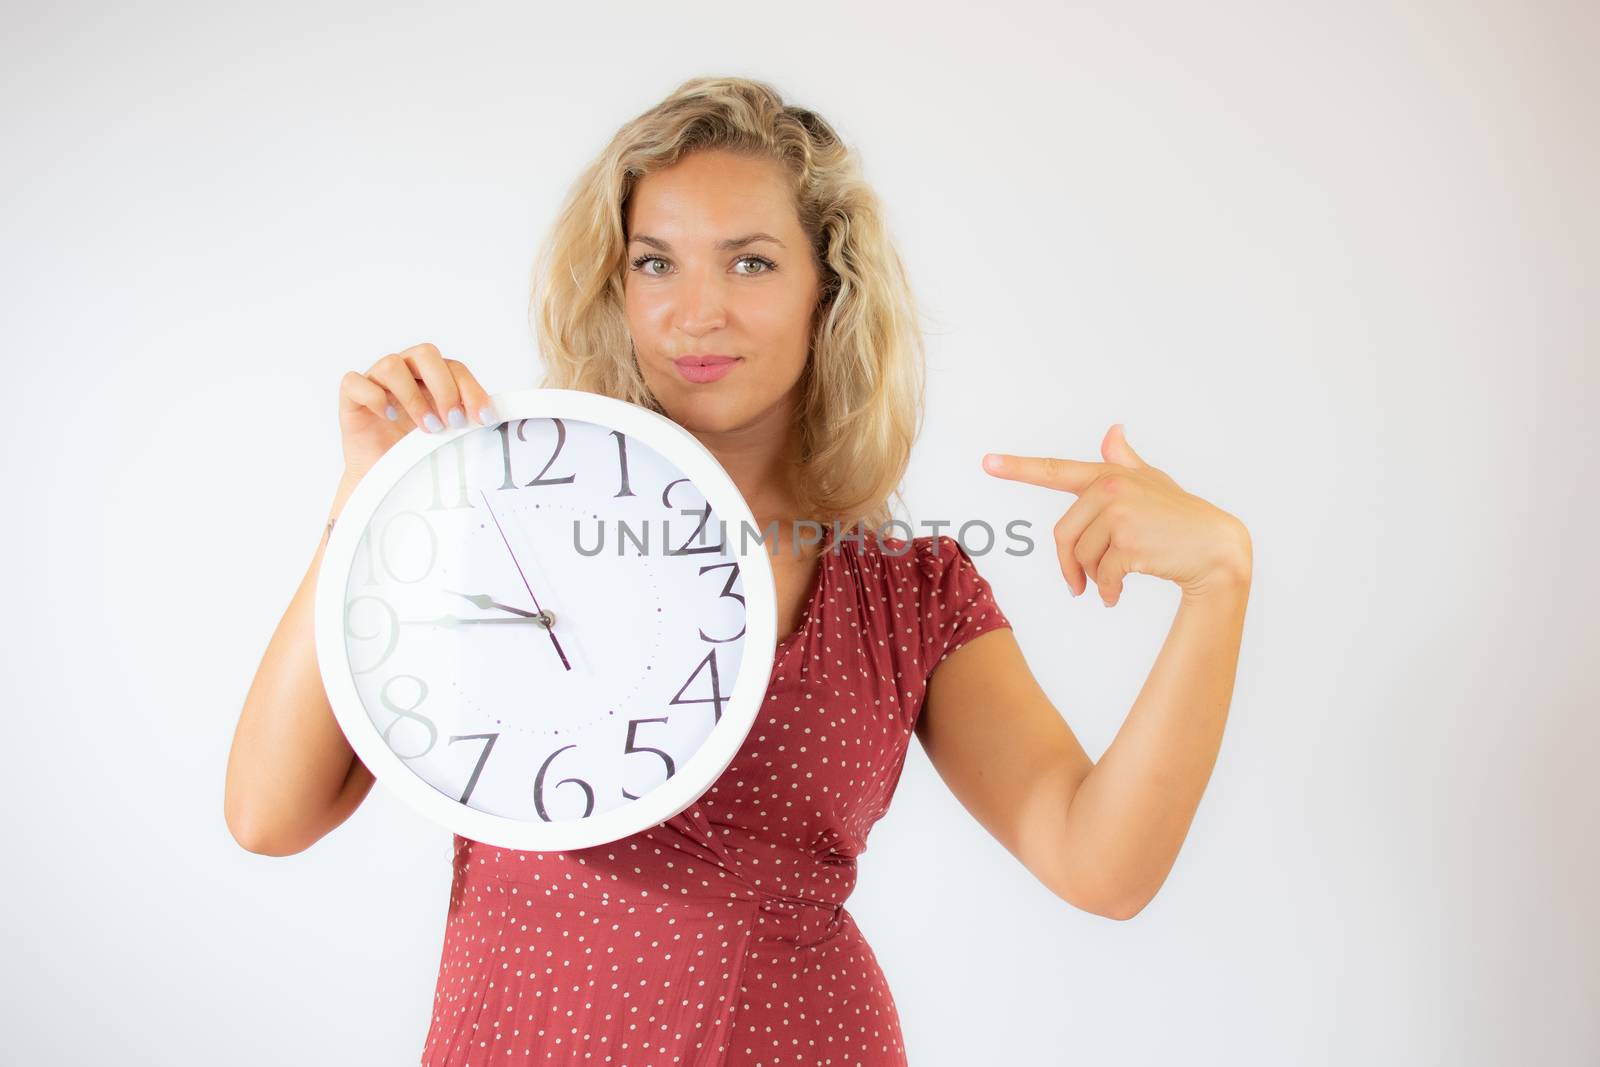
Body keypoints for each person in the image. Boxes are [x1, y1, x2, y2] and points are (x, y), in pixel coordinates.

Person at [225, 75, 1253, 1066]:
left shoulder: (907, 590)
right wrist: (370, 503)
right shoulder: (500, 516)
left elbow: (1099, 864)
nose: (696, 312)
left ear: (828, 289)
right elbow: (270, 814)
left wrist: (1216, 585)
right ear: (614, 286)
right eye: (655, 262)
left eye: (751, 262)